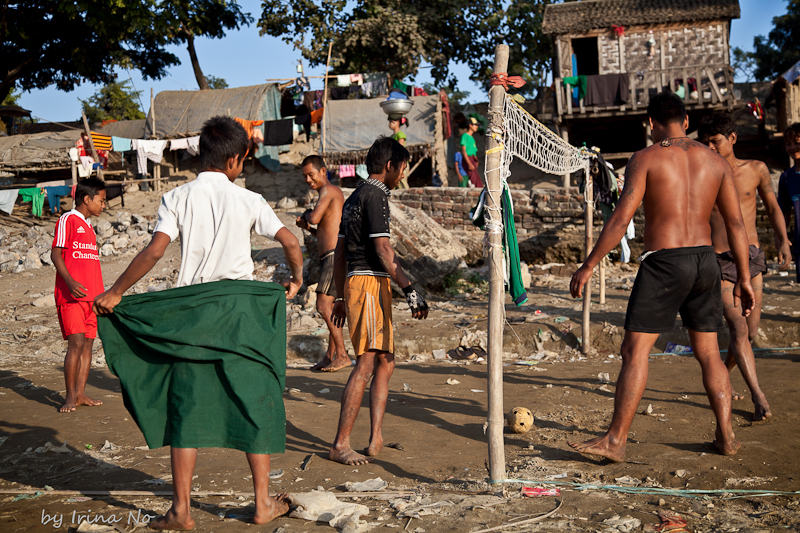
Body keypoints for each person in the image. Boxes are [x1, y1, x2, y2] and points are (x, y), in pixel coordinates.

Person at [93, 116, 303, 529]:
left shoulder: (177, 197)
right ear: (235, 159)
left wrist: (115, 292)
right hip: (241, 317)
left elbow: (155, 251)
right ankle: (263, 503)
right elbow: (291, 242)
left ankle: (181, 511)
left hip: (192, 316)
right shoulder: (248, 200)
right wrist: (296, 279)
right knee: (254, 403)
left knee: (185, 411)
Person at [568, 92, 755, 462]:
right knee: (709, 353)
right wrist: (745, 278)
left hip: (664, 262)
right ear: (686, 122)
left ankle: (616, 441)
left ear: (650, 123)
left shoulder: (646, 158)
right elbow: (735, 224)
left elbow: (621, 218)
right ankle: (727, 437)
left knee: (635, 350)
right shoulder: (716, 161)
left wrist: (589, 264)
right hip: (705, 261)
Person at [328, 136, 429, 466]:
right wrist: (410, 288)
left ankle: (375, 438)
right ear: (389, 167)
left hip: (362, 285)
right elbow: (384, 250)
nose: (402, 175)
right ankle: (341, 443)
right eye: (402, 169)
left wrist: (341, 295)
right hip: (370, 284)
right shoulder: (376, 196)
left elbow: (341, 252)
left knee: (386, 361)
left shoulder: (354, 196)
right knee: (367, 362)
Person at [699, 112, 791, 421]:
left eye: (716, 141)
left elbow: (773, 207)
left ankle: (722, 374)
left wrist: (782, 241)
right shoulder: (702, 174)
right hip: (719, 260)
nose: (710, 148)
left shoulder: (757, 170)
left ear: (732, 138)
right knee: (737, 327)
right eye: (705, 142)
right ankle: (758, 395)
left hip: (751, 258)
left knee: (749, 332)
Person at [51, 177, 107, 413]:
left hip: (92, 297)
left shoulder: (88, 225)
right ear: (87, 199)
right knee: (75, 344)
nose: (104, 206)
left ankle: (82, 393)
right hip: (72, 297)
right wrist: (71, 282)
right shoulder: (68, 219)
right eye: (101, 200)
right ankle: (70, 396)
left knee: (88, 346)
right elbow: (56, 254)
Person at [296, 155, 350, 372]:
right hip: (331, 254)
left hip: (333, 255)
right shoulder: (328, 194)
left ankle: (343, 355)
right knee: (332, 307)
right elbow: (322, 230)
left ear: (323, 171)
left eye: (311, 174)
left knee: (322, 305)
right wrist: (306, 226)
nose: (309, 180)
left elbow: (316, 218)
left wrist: (306, 215)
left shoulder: (328, 191)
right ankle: (330, 355)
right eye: (305, 176)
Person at [778, 122, 800, 283]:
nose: (792, 147)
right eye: (788, 143)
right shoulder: (787, 177)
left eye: (797, 143)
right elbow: (783, 212)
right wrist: (781, 239)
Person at [388, 115, 410, 189]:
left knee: (402, 182)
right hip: (394, 163)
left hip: (401, 163)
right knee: (394, 182)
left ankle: (408, 197)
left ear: (397, 123)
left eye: (392, 122)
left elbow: (400, 150)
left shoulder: (400, 135)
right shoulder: (391, 137)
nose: (389, 124)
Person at [460, 117, 482, 188]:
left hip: (473, 160)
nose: (477, 127)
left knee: (477, 181)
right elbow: (464, 150)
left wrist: (476, 161)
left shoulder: (472, 138)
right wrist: (469, 163)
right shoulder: (465, 136)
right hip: (468, 159)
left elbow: (474, 152)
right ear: (470, 125)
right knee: (473, 181)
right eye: (475, 125)